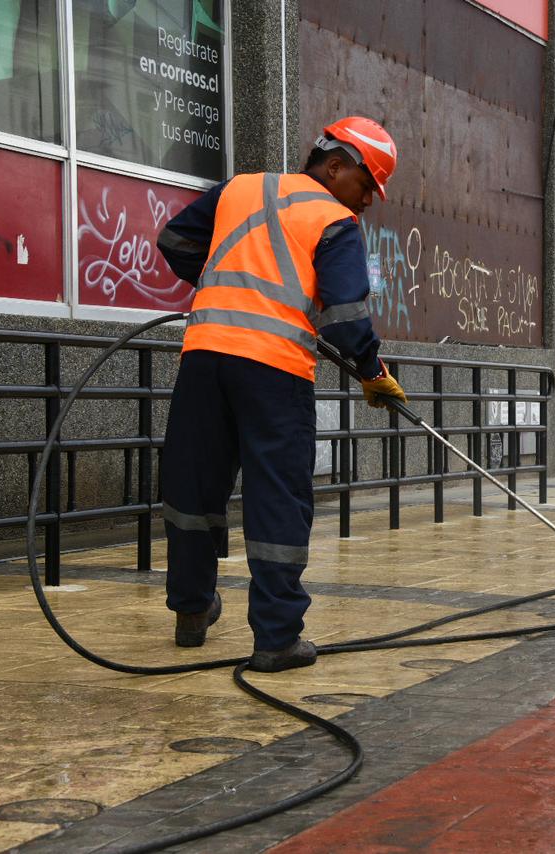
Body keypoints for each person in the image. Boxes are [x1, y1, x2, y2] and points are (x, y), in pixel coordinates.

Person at [155, 116, 408, 672]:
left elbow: (172, 241)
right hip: (274, 371)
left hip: (203, 360)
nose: (368, 199)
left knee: (193, 487)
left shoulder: (239, 188)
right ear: (335, 166)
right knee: (278, 501)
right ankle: (276, 639)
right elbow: (344, 317)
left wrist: (226, 280)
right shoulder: (334, 219)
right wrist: (371, 369)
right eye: (367, 185)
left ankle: (192, 612)